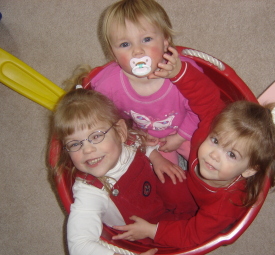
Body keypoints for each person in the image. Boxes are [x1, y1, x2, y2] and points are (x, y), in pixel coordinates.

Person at [112, 53, 275, 248]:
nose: (214, 154)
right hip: (192, 180)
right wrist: (179, 72)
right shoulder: (216, 124)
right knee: (164, 178)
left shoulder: (226, 205)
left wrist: (151, 231)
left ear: (248, 170)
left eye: (231, 154)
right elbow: (206, 94)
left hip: (205, 203)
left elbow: (192, 235)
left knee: (180, 215)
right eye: (214, 140)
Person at [49, 86, 197, 255]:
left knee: (180, 182)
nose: (87, 150)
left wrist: (156, 158)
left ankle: (206, 214)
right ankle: (201, 229)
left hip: (156, 190)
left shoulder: (126, 139)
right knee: (181, 237)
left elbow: (139, 144)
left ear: (120, 131)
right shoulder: (90, 192)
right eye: (75, 144)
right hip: (143, 227)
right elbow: (79, 248)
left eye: (96, 136)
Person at [86, 0, 203, 179]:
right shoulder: (108, 85)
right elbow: (107, 121)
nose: (138, 51)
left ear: (165, 41)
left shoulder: (183, 74)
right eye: (125, 44)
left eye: (146, 39)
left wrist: (180, 136)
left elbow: (201, 107)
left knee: (209, 163)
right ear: (113, 54)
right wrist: (138, 137)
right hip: (149, 142)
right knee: (165, 181)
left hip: (188, 129)